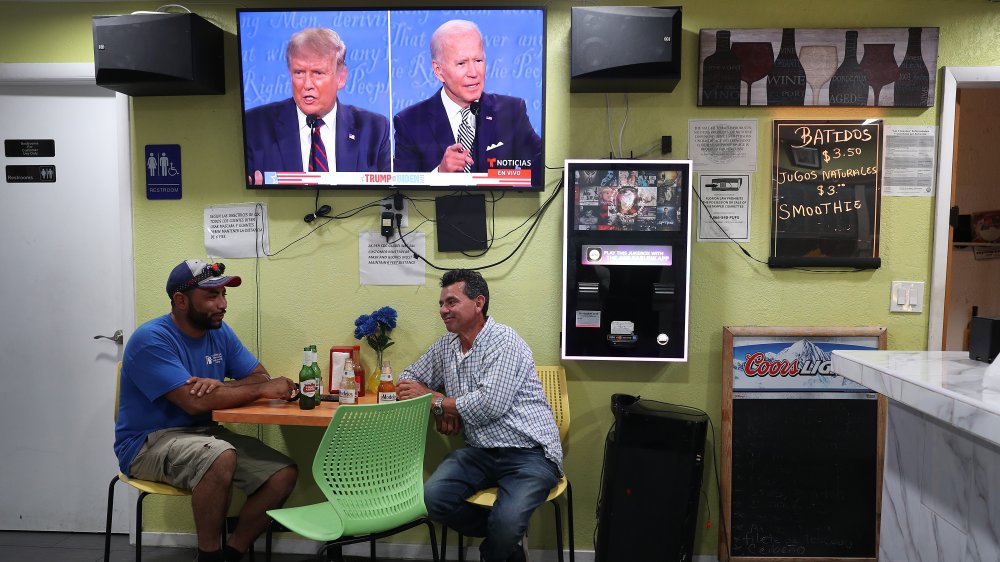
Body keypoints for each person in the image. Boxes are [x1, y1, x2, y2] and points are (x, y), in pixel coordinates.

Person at [114, 259, 300, 562]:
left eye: (224, 295)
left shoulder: (219, 331)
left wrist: (219, 387)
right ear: (181, 300)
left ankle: (230, 554)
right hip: (147, 444)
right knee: (220, 457)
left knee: (282, 474)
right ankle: (208, 556)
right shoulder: (151, 339)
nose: (222, 304)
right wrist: (254, 389)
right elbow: (195, 402)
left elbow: (260, 376)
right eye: (212, 296)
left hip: (206, 434)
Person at [396, 270, 562, 562]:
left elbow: (488, 406)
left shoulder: (504, 341)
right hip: (479, 452)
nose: (443, 311)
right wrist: (440, 408)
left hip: (530, 453)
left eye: (451, 302)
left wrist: (437, 400)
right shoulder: (447, 346)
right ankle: (508, 541)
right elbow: (407, 380)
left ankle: (502, 541)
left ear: (479, 302)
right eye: (441, 304)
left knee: (507, 522)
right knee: (432, 499)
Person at [392, 20, 542, 177]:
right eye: (461, 63)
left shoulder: (511, 112)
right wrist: (439, 174)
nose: (473, 72)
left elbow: (540, 167)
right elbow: (403, 186)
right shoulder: (409, 122)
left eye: (478, 61)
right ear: (438, 70)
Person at [243, 28, 391, 183]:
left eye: (318, 73)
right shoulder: (254, 126)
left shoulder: (374, 128)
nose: (307, 84)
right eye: (299, 72)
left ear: (341, 77)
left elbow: (386, 194)